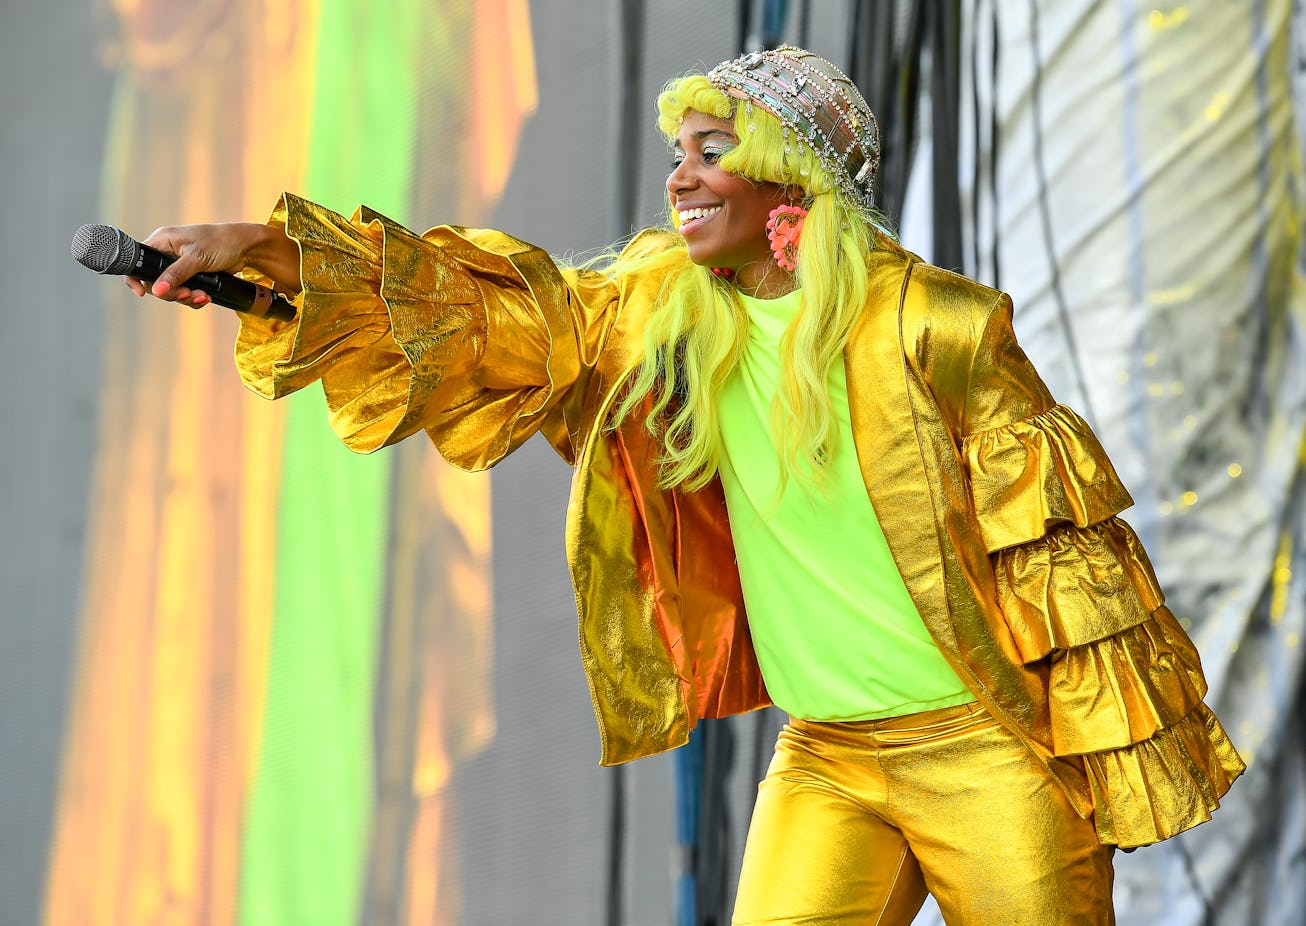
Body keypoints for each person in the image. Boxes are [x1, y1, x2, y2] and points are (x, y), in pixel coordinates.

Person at [127, 45, 1243, 926]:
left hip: (986, 745)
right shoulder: (661, 309)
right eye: (679, 148)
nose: (680, 174)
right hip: (830, 753)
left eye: (714, 148)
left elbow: (1069, 554)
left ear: (792, 180)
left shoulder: (934, 325)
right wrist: (275, 256)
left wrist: (1118, 753)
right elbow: (488, 316)